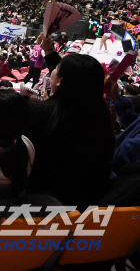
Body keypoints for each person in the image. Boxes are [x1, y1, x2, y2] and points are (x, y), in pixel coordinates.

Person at [25, 33, 115, 207]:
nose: (52, 71)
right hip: (88, 201)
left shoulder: (38, 114)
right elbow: (75, 78)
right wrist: (49, 50)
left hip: (42, 203)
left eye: (56, 69)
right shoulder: (102, 114)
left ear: (60, 83)